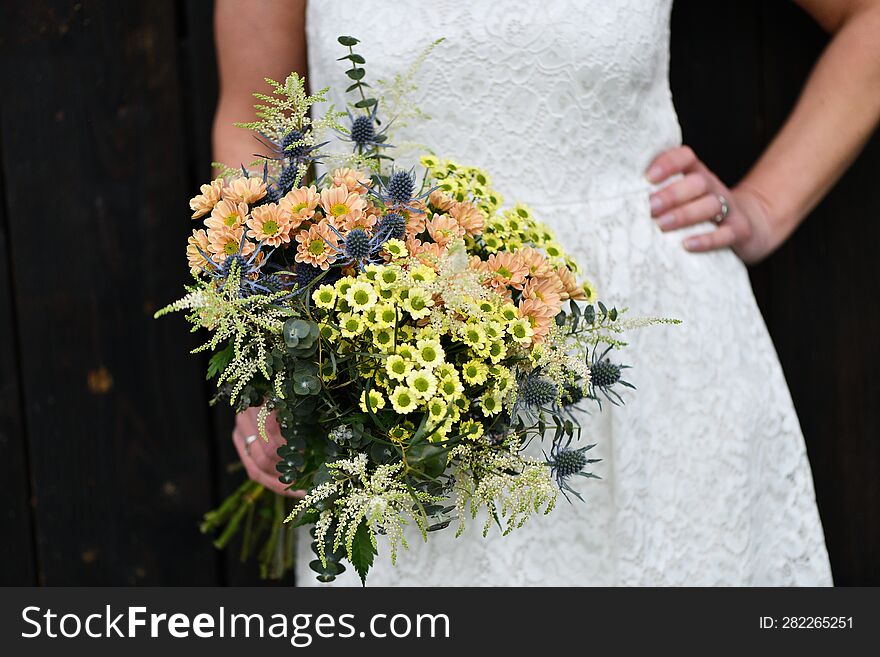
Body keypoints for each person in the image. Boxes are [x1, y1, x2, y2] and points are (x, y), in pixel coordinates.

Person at [215, 0, 880, 586]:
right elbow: (254, 129)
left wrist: (765, 205)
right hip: (395, 376)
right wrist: (277, 348)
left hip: (650, 369)